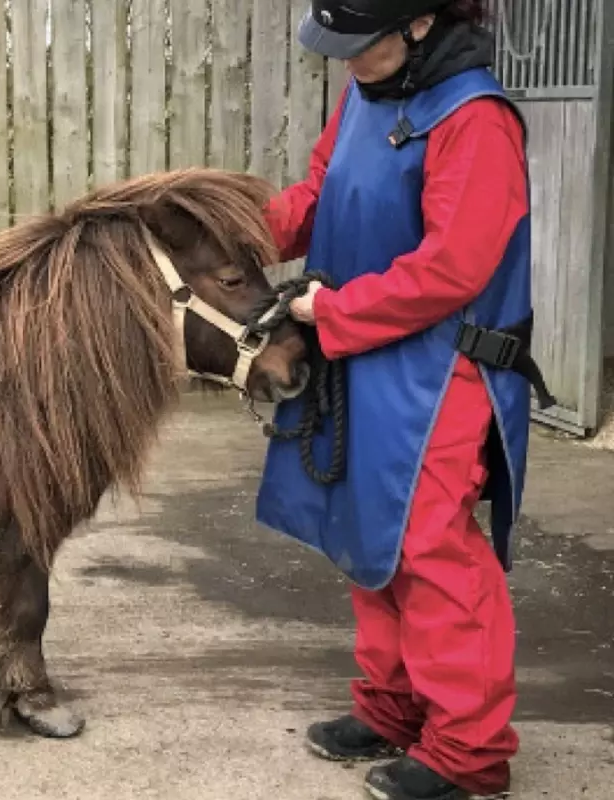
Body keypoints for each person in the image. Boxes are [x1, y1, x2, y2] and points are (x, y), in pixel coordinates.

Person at [254, 2, 553, 799]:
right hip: (362, 355)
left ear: (420, 24)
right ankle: (393, 706)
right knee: (365, 531)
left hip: (442, 372)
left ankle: (469, 750)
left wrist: (337, 314)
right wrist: (238, 230)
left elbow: (454, 266)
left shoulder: (476, 120)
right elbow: (320, 192)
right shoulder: (367, 89)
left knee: (433, 550)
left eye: (361, 46)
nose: (345, 62)